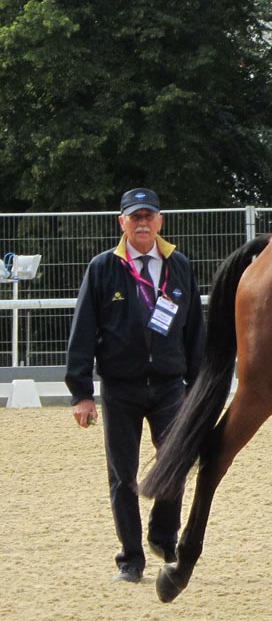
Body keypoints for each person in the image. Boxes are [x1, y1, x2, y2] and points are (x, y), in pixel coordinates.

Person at [66, 188, 205, 583]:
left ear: (160, 221)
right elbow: (83, 330)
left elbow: (195, 331)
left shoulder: (180, 265)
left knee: (176, 462)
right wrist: (81, 393)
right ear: (122, 222)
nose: (142, 223)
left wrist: (198, 387)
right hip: (120, 388)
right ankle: (130, 560)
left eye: (148, 216)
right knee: (122, 475)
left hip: (169, 386)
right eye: (135, 217)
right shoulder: (103, 267)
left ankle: (163, 535)